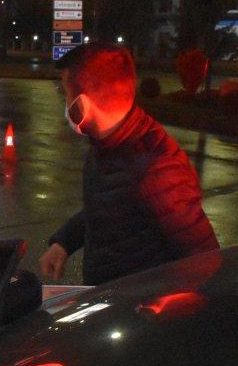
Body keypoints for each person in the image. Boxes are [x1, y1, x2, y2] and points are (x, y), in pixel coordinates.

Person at [39, 44, 218, 286]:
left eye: (66, 93)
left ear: (83, 105)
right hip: (109, 297)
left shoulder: (157, 170)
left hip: (134, 305)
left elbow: (205, 261)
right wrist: (64, 242)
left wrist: (156, 303)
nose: (65, 101)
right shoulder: (109, 141)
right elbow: (108, 206)